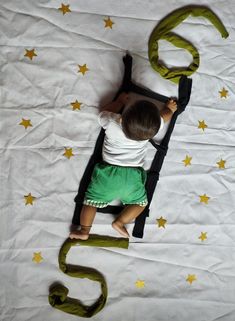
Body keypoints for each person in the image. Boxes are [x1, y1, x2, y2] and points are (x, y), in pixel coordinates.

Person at [69, 92, 177, 240]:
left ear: (122, 119)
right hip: (132, 178)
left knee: (89, 202)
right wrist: (169, 109)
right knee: (140, 204)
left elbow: (103, 113)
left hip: (108, 174)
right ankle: (120, 222)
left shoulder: (112, 122)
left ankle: (84, 230)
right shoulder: (154, 129)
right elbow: (165, 116)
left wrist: (119, 102)